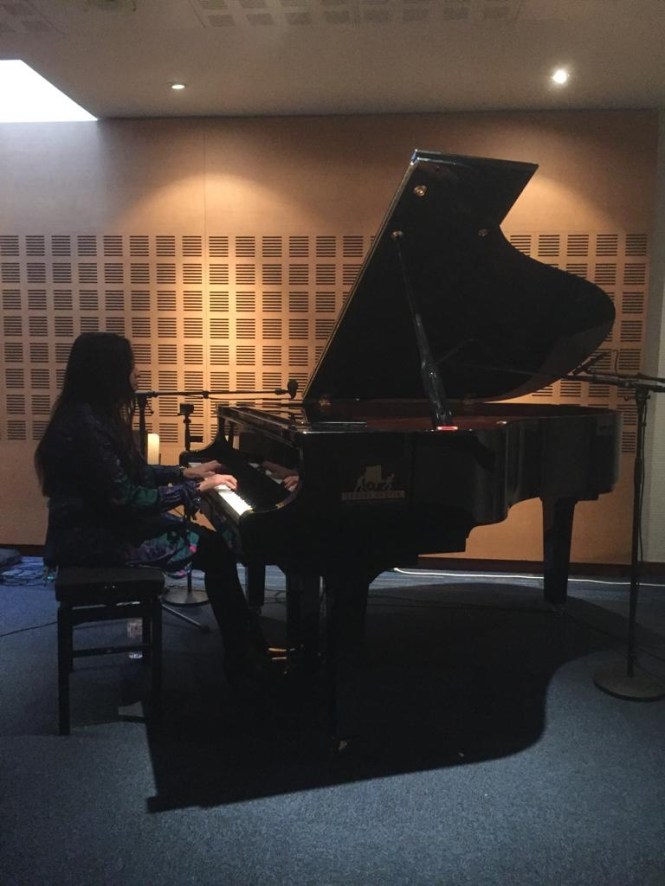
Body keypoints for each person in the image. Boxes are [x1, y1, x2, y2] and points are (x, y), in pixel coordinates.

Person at [34, 331, 267, 682]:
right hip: (94, 539)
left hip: (102, 525)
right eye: (131, 365)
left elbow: (135, 474)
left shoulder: (90, 415)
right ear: (108, 372)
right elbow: (127, 498)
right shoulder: (86, 427)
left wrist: (184, 472)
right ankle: (242, 660)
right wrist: (196, 488)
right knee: (216, 551)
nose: (138, 373)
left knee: (213, 546)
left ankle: (245, 647)